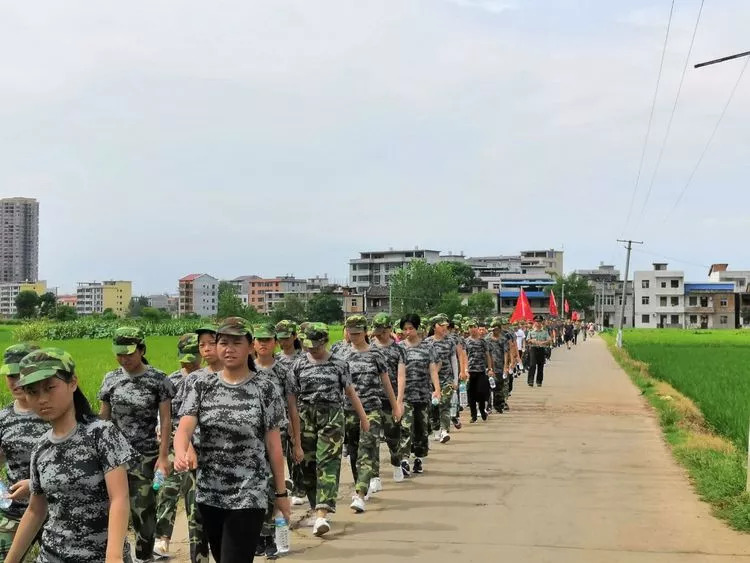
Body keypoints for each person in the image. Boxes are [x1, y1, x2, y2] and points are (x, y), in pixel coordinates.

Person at [174, 317, 290, 561]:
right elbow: (184, 428)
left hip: (249, 492)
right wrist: (181, 452)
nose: (229, 348)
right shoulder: (201, 384)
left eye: (237, 343)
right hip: (210, 493)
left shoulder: (265, 388)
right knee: (221, 555)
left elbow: (274, 447)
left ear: (250, 347)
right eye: (223, 342)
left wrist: (281, 495)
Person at [6, 348, 134, 563]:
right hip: (51, 556)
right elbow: (36, 511)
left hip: (97, 557)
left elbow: (119, 498)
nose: (42, 399)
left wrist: (113, 556)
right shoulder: (41, 447)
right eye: (33, 392)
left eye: (50, 388)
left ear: (72, 383)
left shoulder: (101, 433)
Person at [99, 327, 174, 562]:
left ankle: (144, 556)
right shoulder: (111, 379)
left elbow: (166, 421)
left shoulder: (158, 379)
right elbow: (103, 419)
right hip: (114, 458)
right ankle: (120, 556)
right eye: (120, 354)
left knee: (143, 511)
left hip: (145, 456)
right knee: (113, 510)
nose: (124, 359)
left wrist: (163, 457)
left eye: (129, 353)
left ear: (141, 350)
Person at [287, 323, 369, 537]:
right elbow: (292, 400)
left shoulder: (339, 364)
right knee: (307, 464)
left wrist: (363, 418)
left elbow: (350, 392)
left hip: (332, 416)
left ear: (325, 342)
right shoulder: (297, 365)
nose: (312, 349)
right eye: (309, 345)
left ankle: (322, 514)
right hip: (305, 418)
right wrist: (291, 427)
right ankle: (317, 507)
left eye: (316, 345)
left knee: (328, 462)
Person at [154, 334, 208, 562]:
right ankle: (162, 539)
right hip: (178, 445)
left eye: (193, 359)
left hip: (204, 448)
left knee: (195, 502)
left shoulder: (209, 379)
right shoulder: (171, 381)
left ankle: (198, 552)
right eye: (184, 360)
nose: (189, 364)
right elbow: (165, 416)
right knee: (168, 490)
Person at [339, 316, 399, 513]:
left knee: (367, 450)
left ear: (365, 332)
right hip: (348, 410)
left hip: (372, 408)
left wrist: (395, 405)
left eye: (357, 333)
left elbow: (386, 381)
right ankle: (361, 484)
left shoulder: (376, 354)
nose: (353, 336)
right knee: (354, 451)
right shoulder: (341, 354)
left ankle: (360, 493)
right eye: (350, 332)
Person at [0, 343, 48, 561]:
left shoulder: (55, 412)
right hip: (15, 511)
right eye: (10, 375)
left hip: (55, 512)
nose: (15, 381)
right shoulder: (4, 418)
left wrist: (35, 484)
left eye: (20, 374)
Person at [397, 314, 440, 477]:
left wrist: (437, 389)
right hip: (406, 394)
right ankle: (405, 459)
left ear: (417, 329)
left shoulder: (427, 347)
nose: (408, 331)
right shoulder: (399, 347)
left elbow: (433, 370)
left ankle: (419, 458)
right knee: (406, 427)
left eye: (411, 328)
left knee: (421, 429)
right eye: (405, 329)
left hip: (423, 394)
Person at [369, 313, 406, 482]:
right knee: (372, 438)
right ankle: (374, 476)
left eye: (383, 331)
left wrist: (398, 402)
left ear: (389, 329)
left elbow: (401, 376)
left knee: (393, 436)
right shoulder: (369, 348)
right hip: (372, 399)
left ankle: (397, 463)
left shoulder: (398, 349)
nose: (379, 335)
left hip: (390, 400)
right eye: (377, 331)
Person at [424, 314, 458, 443]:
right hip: (431, 381)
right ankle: (436, 429)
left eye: (446, 325)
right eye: (441, 325)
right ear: (434, 326)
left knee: (444, 404)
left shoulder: (450, 341)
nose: (444, 328)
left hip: (446, 379)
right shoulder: (427, 343)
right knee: (433, 406)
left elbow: (454, 360)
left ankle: (444, 430)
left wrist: (455, 380)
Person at [463, 319, 494, 422]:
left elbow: (487, 355)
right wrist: (464, 369)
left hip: (481, 370)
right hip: (470, 371)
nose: (472, 329)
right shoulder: (466, 341)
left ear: (477, 328)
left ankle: (482, 410)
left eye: (474, 327)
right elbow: (464, 356)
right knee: (471, 394)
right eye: (470, 327)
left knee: (481, 393)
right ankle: (473, 415)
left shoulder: (483, 341)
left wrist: (489, 368)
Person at [486, 318, 508, 413]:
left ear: (499, 329)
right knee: (488, 386)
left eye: (495, 329)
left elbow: (506, 353)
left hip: (499, 366)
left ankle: (498, 405)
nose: (494, 331)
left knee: (498, 387)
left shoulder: (503, 339)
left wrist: (505, 366)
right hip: (489, 366)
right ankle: (488, 406)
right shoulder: (487, 339)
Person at [527, 317, 552, 387]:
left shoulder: (545, 332)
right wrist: (532, 341)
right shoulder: (531, 331)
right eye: (537, 322)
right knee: (532, 365)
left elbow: (549, 340)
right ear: (535, 322)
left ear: (541, 323)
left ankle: (539, 381)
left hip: (541, 349)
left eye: (539, 322)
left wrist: (543, 342)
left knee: (540, 366)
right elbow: (528, 340)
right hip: (533, 349)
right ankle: (530, 381)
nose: (538, 323)